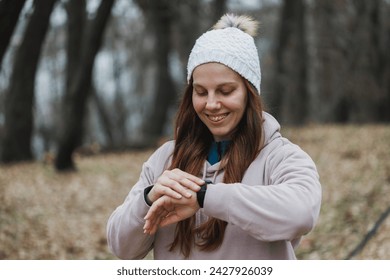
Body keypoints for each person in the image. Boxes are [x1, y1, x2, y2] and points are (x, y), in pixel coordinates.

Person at [106, 13, 321, 260]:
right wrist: (148, 199)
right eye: (200, 92)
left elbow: (301, 214)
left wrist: (204, 196)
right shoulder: (165, 159)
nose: (211, 104)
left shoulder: (282, 157)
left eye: (225, 91)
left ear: (249, 93)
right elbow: (121, 247)